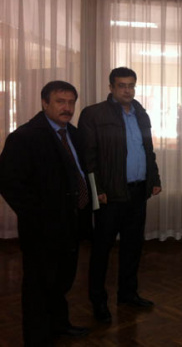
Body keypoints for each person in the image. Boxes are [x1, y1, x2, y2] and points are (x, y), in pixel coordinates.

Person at [0, 81, 90, 346]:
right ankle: (37, 337)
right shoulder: (24, 137)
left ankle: (59, 324)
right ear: (45, 103)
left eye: (71, 102)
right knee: (38, 286)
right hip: (42, 229)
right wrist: (37, 216)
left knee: (62, 280)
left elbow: (80, 173)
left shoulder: (74, 134)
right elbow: (9, 183)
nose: (67, 108)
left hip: (71, 223)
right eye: (60, 102)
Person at [79, 67, 162, 323]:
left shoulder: (141, 113)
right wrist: (97, 190)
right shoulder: (94, 114)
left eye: (131, 85)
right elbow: (88, 157)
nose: (127, 90)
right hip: (109, 195)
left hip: (138, 191)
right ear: (111, 88)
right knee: (102, 250)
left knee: (132, 247)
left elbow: (148, 150)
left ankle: (128, 294)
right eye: (122, 85)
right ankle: (98, 301)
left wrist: (154, 179)